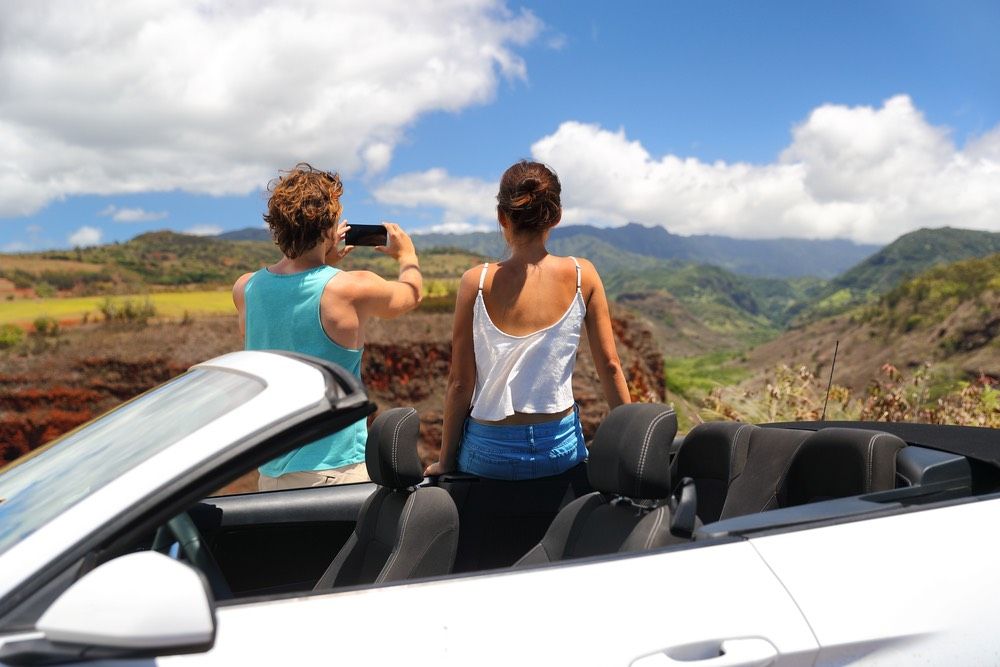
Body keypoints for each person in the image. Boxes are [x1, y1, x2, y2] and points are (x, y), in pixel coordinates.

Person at [425, 160, 630, 480]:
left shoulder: (475, 282)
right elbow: (611, 366)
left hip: (490, 452)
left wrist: (445, 463)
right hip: (558, 448)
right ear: (557, 217)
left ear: (501, 217)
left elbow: (460, 383)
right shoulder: (582, 275)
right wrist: (633, 440)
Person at [233, 163, 422, 491]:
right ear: (328, 229)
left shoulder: (246, 289)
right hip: (336, 472)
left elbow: (285, 329)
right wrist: (407, 256)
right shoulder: (350, 288)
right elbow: (411, 294)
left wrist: (323, 263)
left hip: (271, 474)